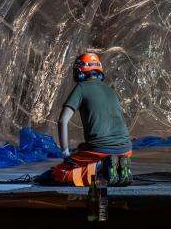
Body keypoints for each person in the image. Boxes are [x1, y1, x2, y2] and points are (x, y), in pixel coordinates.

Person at [51, 53, 132, 186]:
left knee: (59, 173)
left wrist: (65, 152)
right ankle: (115, 168)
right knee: (82, 149)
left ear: (80, 71)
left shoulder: (81, 88)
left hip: (100, 150)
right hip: (126, 150)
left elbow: (62, 121)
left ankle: (101, 169)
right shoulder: (111, 91)